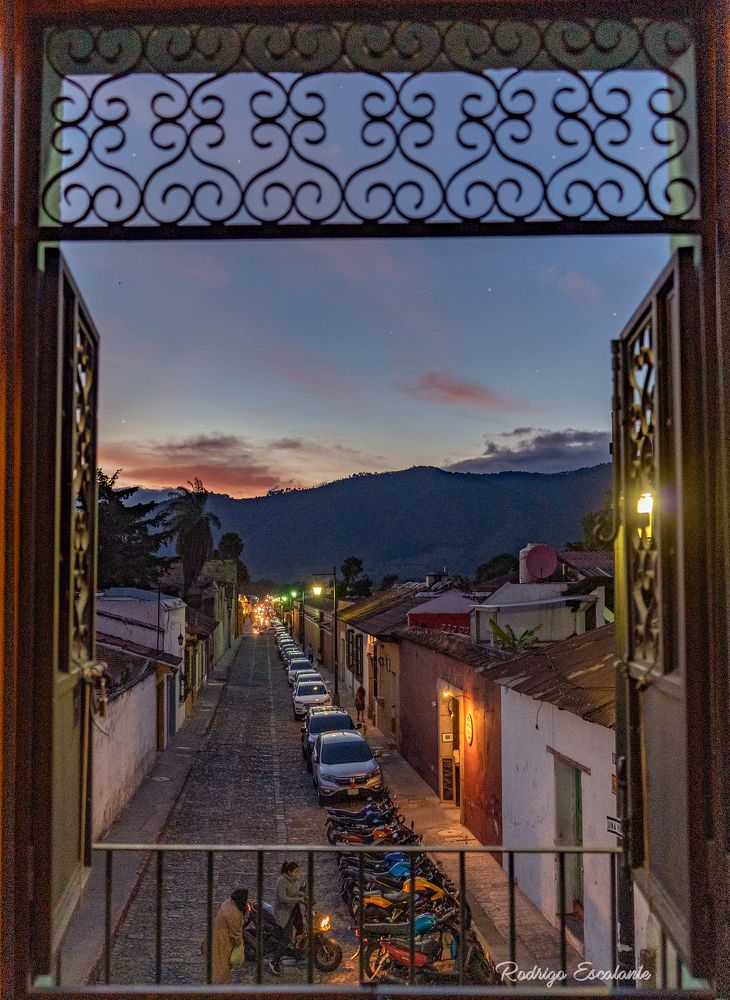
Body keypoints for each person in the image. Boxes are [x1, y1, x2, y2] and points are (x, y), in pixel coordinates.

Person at [205, 887, 248, 985]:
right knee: (221, 969)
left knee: (217, 966)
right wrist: (240, 945)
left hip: (216, 937)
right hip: (221, 942)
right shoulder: (233, 913)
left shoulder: (228, 903)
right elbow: (236, 934)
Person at [268, 861, 305, 974]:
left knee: (295, 933)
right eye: (295, 872)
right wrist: (298, 899)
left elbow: (296, 892)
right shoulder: (281, 881)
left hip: (292, 911)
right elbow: (282, 898)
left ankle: (296, 953)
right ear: (289, 871)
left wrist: (303, 895)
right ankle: (274, 962)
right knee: (284, 938)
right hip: (283, 914)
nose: (297, 874)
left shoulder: (294, 880)